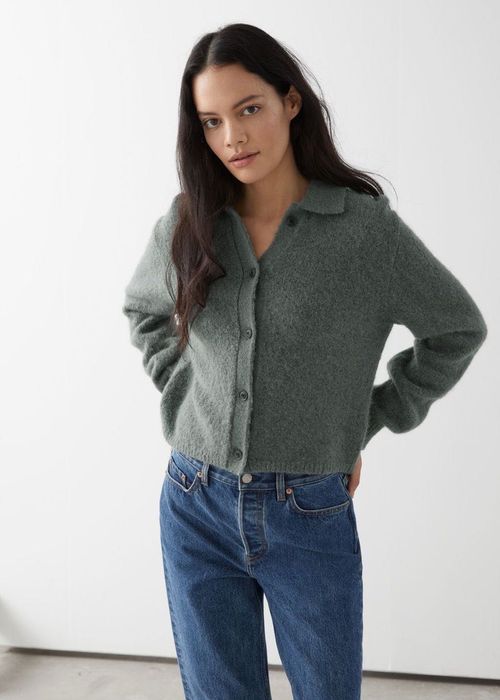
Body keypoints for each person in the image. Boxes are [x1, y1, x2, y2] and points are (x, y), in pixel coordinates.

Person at [122, 22, 488, 700]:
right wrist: (185, 392)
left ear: (291, 102)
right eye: (212, 121)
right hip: (194, 501)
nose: (232, 137)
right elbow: (145, 311)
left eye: (248, 109)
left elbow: (457, 328)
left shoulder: (363, 231)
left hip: (308, 509)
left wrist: (360, 424)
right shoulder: (190, 220)